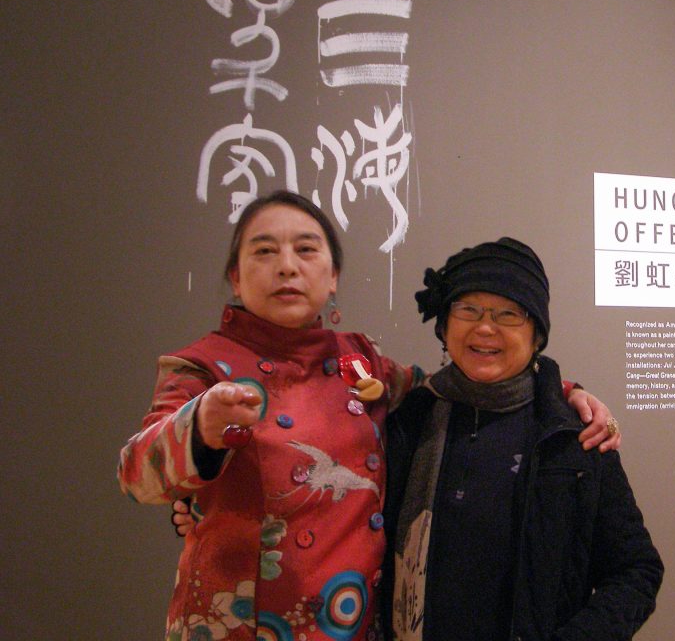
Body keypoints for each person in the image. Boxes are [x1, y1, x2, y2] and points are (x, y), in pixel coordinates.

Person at [118, 192, 619, 641]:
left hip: (351, 621)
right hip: (241, 623)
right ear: (235, 274)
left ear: (333, 276)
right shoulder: (203, 366)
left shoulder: (359, 359)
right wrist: (200, 426)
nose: (287, 267)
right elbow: (137, 473)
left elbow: (454, 384)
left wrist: (561, 391)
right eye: (264, 251)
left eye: (307, 250)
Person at [383, 237, 663, 641]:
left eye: (509, 313)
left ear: (537, 335)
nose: (484, 326)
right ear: (444, 326)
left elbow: (637, 571)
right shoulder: (408, 418)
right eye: (468, 309)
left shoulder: (572, 434)